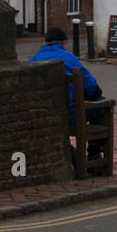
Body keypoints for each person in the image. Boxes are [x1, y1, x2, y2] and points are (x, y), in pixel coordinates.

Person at [29, 27, 107, 159]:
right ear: (64, 42)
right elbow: (92, 87)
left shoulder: (32, 60)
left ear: (44, 42)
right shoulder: (69, 58)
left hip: (41, 114)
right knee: (101, 104)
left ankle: (70, 153)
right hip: (70, 115)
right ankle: (94, 153)